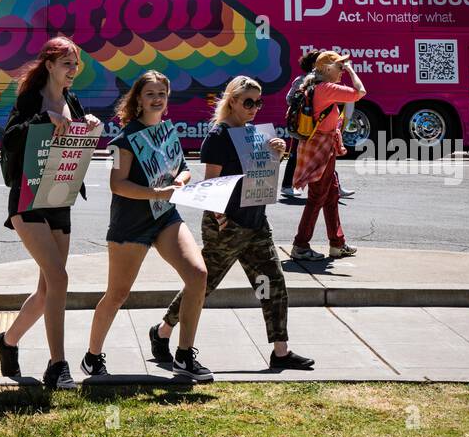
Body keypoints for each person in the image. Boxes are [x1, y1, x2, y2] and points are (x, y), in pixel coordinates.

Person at [154, 76, 315, 371]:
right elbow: (211, 182)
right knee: (204, 284)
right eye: (248, 102)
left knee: (273, 284)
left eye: (259, 102)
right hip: (226, 223)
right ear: (232, 101)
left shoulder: (254, 134)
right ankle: (163, 330)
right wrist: (220, 217)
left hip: (256, 221)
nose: (255, 108)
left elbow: (261, 176)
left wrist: (276, 154)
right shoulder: (218, 136)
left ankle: (281, 350)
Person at [81, 71, 212, 381]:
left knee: (198, 275)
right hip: (131, 223)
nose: (157, 99)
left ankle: (183, 355)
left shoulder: (168, 132)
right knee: (117, 294)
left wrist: (182, 178)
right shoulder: (122, 140)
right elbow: (117, 184)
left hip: (165, 216)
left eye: (162, 94)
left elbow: (183, 167)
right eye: (150, 94)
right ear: (138, 99)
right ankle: (92, 356)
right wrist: (156, 192)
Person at [0, 36, 101, 391]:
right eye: (67, 63)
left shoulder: (72, 100)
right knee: (60, 280)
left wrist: (90, 126)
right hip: (28, 199)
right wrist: (43, 118)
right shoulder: (31, 99)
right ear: (50, 64)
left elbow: (76, 143)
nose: (73, 70)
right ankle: (58, 366)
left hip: (60, 197)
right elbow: (9, 138)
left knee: (46, 291)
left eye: (76, 64)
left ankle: (6, 342)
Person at [291, 51, 366, 260]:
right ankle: (301, 245)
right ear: (326, 69)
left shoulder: (315, 87)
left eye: (344, 66)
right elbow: (360, 92)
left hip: (321, 148)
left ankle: (337, 243)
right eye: (339, 66)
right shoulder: (326, 89)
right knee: (317, 197)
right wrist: (352, 71)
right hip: (320, 150)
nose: (342, 70)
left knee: (331, 195)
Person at [280, 50, 320, 197]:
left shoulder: (324, 80)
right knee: (295, 154)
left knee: (325, 155)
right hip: (302, 123)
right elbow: (289, 98)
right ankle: (286, 185)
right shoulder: (301, 79)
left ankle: (333, 187)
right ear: (313, 64)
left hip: (317, 123)